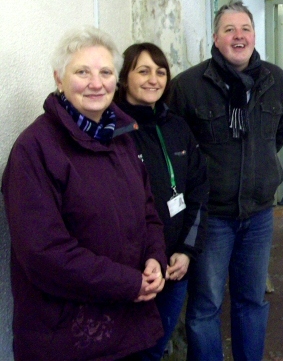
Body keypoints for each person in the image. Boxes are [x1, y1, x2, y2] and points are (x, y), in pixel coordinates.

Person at [1, 26, 167, 361]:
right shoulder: (34, 150)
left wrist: (155, 258)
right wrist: (129, 283)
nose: (96, 83)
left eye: (105, 72)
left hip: (129, 329)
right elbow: (44, 253)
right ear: (59, 79)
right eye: (82, 72)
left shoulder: (120, 137)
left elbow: (148, 210)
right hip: (66, 340)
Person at [169, 1, 283, 361]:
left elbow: (279, 134)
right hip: (210, 218)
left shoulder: (275, 81)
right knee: (205, 304)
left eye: (245, 29)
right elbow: (176, 150)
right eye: (229, 29)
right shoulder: (188, 86)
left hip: (258, 215)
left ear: (254, 36)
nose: (238, 36)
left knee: (251, 301)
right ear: (215, 37)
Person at [115, 42, 209, 361]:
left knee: (155, 347)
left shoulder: (177, 127)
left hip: (173, 267)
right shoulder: (112, 131)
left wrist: (186, 250)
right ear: (123, 78)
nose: (153, 78)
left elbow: (198, 191)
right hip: (131, 271)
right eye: (142, 70)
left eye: (160, 71)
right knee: (127, 350)